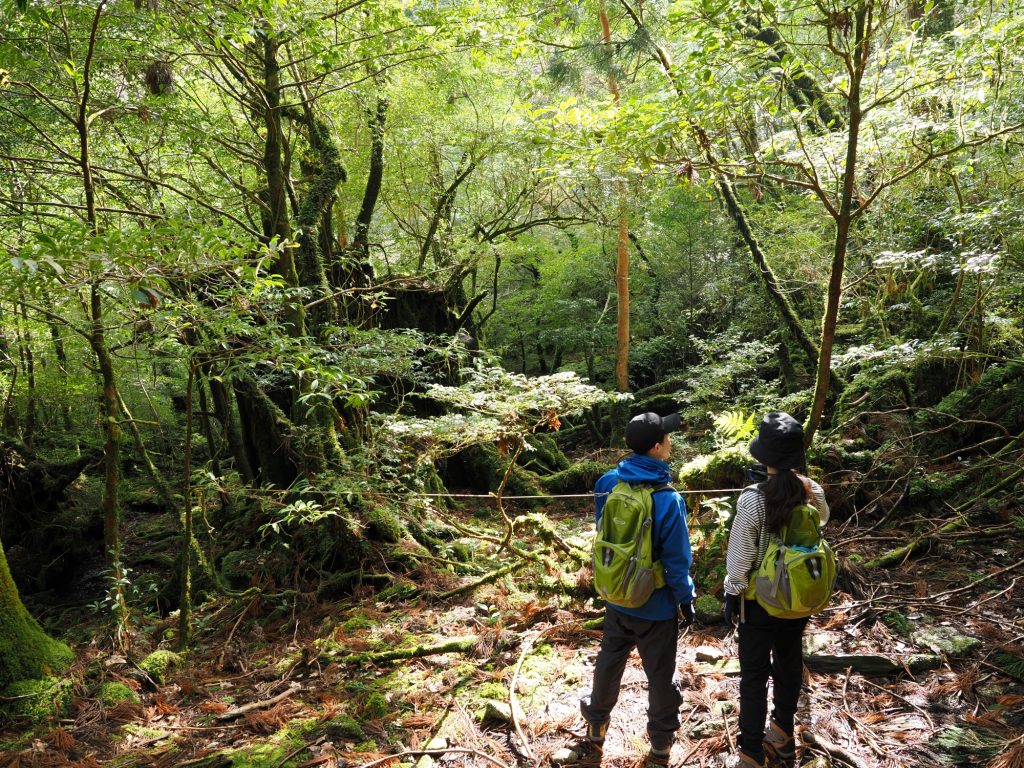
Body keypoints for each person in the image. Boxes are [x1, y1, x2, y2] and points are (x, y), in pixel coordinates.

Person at [575, 412, 696, 767]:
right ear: (657, 447)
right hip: (654, 606)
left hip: (616, 595)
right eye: (667, 438)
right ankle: (660, 745)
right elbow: (676, 560)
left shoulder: (608, 482)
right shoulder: (667, 498)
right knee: (660, 676)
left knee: (610, 660)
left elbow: (604, 535)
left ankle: (596, 726)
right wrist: (686, 598)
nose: (670, 443)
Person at [722, 412, 830, 768]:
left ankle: (751, 751)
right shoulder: (811, 490)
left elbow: (740, 557)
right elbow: (824, 519)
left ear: (761, 456)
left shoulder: (753, 499)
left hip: (757, 602)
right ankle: (783, 734)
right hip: (797, 599)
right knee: (789, 663)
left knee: (754, 676)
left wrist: (732, 593)